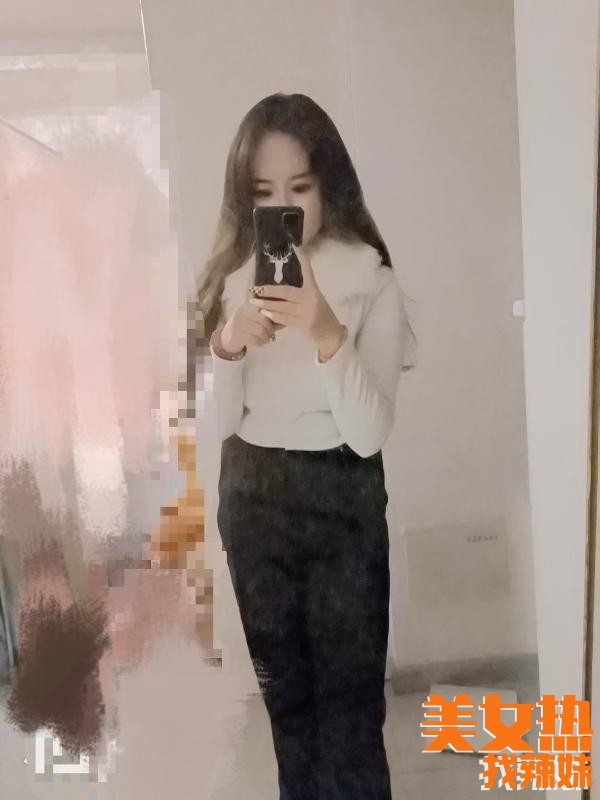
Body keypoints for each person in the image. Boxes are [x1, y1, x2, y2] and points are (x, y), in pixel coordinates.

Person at [195, 92, 416, 800]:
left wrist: (325, 332)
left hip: (342, 493)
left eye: (300, 188)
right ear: (243, 195)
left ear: (329, 184)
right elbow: (212, 426)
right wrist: (228, 343)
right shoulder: (228, 277)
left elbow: (368, 433)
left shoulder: (370, 277)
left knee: (352, 714)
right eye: (265, 192)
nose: (284, 208)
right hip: (253, 498)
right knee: (289, 714)